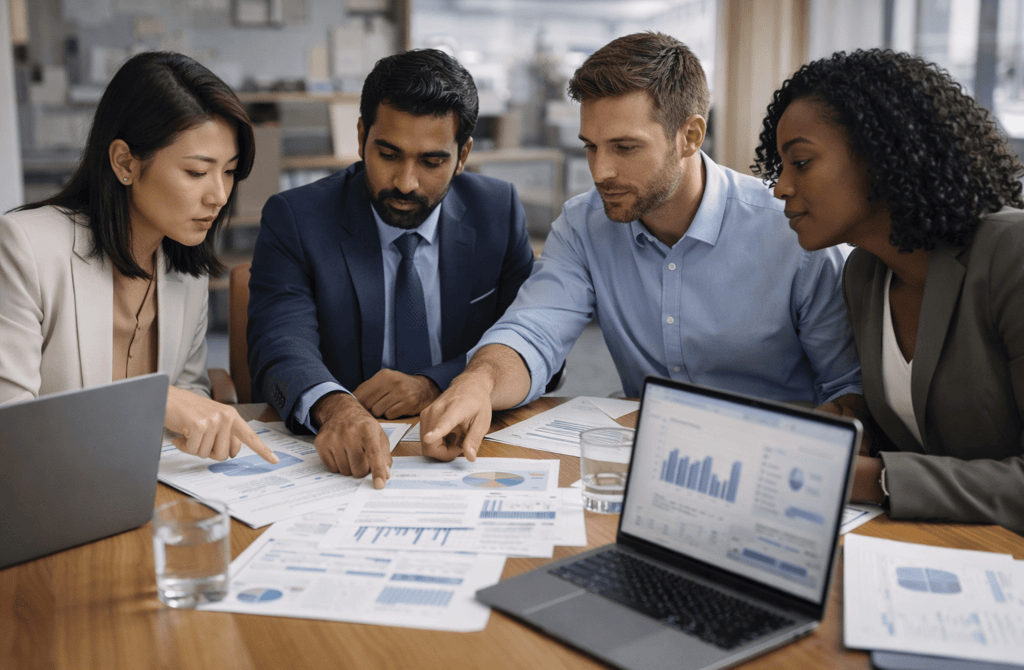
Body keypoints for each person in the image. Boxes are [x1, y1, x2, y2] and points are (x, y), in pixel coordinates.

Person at [418, 32, 863, 460]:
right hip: (646, 461)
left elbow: (849, 390)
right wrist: (477, 382)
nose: (601, 172)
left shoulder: (793, 231)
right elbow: (534, 332)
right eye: (591, 147)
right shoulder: (583, 223)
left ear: (690, 136)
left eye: (625, 147)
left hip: (769, 462)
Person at [753, 48, 1024, 533]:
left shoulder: (1010, 255)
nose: (780, 188)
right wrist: (859, 422)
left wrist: (875, 480)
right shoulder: (864, 274)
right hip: (937, 543)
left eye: (801, 162)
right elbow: (936, 426)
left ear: (883, 154)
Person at [246, 49, 535, 488]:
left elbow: (532, 341)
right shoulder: (298, 218)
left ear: (463, 155)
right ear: (361, 135)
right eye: (388, 154)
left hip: (467, 451)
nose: (405, 182)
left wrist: (434, 384)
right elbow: (279, 341)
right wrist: (335, 408)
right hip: (340, 459)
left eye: (432, 161)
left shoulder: (498, 212)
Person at [0, 51, 275, 464]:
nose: (219, 195)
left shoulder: (186, 272)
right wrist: (155, 402)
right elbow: (10, 423)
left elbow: (191, 394)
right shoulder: (26, 248)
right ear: (125, 163)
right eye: (197, 173)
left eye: (230, 171)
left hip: (145, 488)